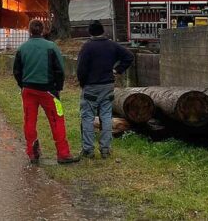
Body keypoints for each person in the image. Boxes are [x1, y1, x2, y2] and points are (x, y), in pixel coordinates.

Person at [13, 19, 79, 165]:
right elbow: (60, 70)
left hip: (28, 90)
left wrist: (22, 85)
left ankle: (31, 152)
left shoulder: (22, 48)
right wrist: (58, 88)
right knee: (57, 119)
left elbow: (16, 71)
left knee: (29, 120)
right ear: (43, 30)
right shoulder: (51, 46)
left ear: (29, 31)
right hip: (49, 90)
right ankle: (63, 153)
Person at [76, 20, 134, 159]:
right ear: (103, 31)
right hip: (108, 85)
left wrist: (83, 84)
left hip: (91, 86)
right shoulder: (112, 45)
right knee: (106, 117)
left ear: (90, 33)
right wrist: (118, 70)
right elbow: (129, 56)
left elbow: (81, 69)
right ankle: (105, 149)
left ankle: (88, 150)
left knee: (88, 117)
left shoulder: (87, 47)